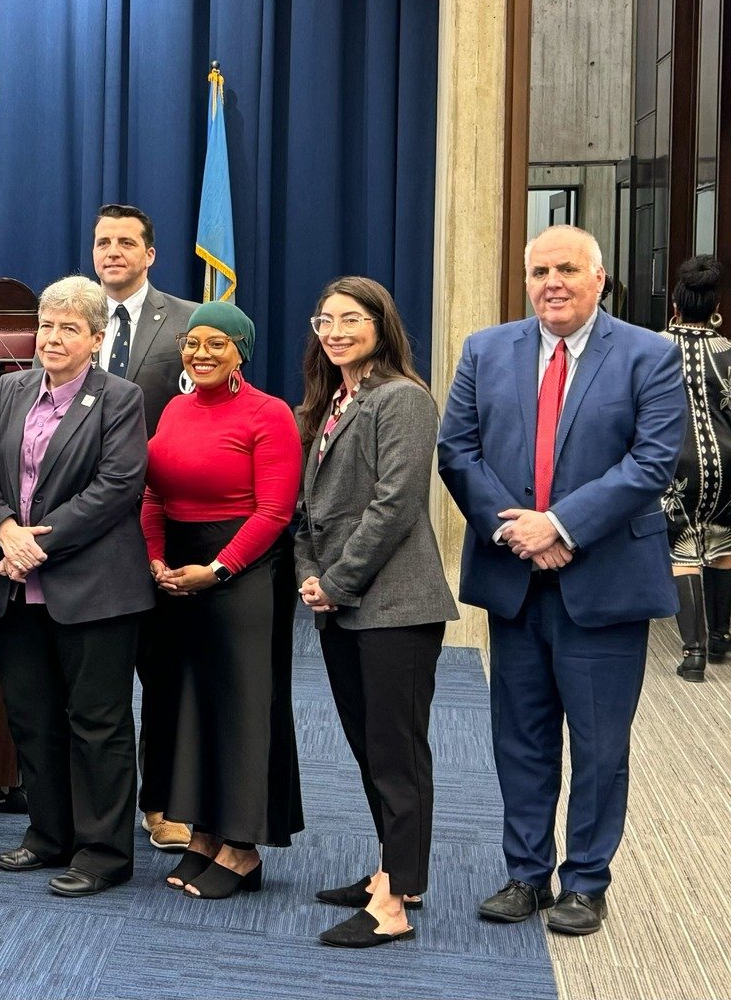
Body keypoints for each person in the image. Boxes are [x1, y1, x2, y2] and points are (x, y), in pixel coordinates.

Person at [439, 225, 683, 938]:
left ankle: (585, 882)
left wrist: (562, 526)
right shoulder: (486, 350)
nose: (553, 282)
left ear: (599, 278)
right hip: (516, 579)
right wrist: (518, 531)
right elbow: (458, 451)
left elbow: (653, 461)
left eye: (568, 269)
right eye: (540, 269)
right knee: (520, 737)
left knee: (600, 745)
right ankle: (524, 874)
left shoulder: (649, 354)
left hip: (603, 583)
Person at [293, 277, 458, 948]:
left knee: (397, 752)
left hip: (394, 606)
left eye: (349, 319)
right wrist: (309, 575)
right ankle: (396, 871)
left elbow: (395, 505)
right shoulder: (333, 400)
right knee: (368, 750)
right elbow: (310, 508)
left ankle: (394, 905)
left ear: (381, 325)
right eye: (323, 318)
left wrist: (333, 580)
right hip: (341, 604)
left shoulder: (403, 399)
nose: (333, 330)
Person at [0, 276, 149, 898]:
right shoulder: (9, 392)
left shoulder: (120, 398)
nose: (52, 338)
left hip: (94, 589)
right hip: (15, 588)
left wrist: (32, 544)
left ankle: (103, 853)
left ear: (97, 338)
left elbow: (117, 488)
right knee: (31, 715)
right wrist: (2, 530)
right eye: (45, 326)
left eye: (68, 328)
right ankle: (48, 835)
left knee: (96, 722)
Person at [142, 301, 305, 899]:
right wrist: (157, 559)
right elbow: (152, 494)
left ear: (242, 350)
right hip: (175, 574)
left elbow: (274, 512)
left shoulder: (270, 413)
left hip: (242, 571)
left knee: (242, 707)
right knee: (187, 706)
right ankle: (203, 835)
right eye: (192, 342)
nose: (201, 353)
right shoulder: (175, 409)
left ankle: (241, 846)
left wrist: (216, 569)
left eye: (217, 343)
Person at [89, 202, 198, 853]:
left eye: (127, 242)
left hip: (163, 522)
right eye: (103, 242)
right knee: (94, 683)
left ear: (150, 253)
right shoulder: (71, 318)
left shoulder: (185, 321)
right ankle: (95, 805)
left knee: (164, 675)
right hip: (85, 531)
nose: (113, 253)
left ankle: (164, 804)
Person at [659, 255, 731, 681]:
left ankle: (694, 653)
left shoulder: (652, 348)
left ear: (676, 302)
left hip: (675, 461)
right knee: (723, 544)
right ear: (715, 304)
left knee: (682, 549)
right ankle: (722, 637)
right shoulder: (728, 352)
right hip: (728, 462)